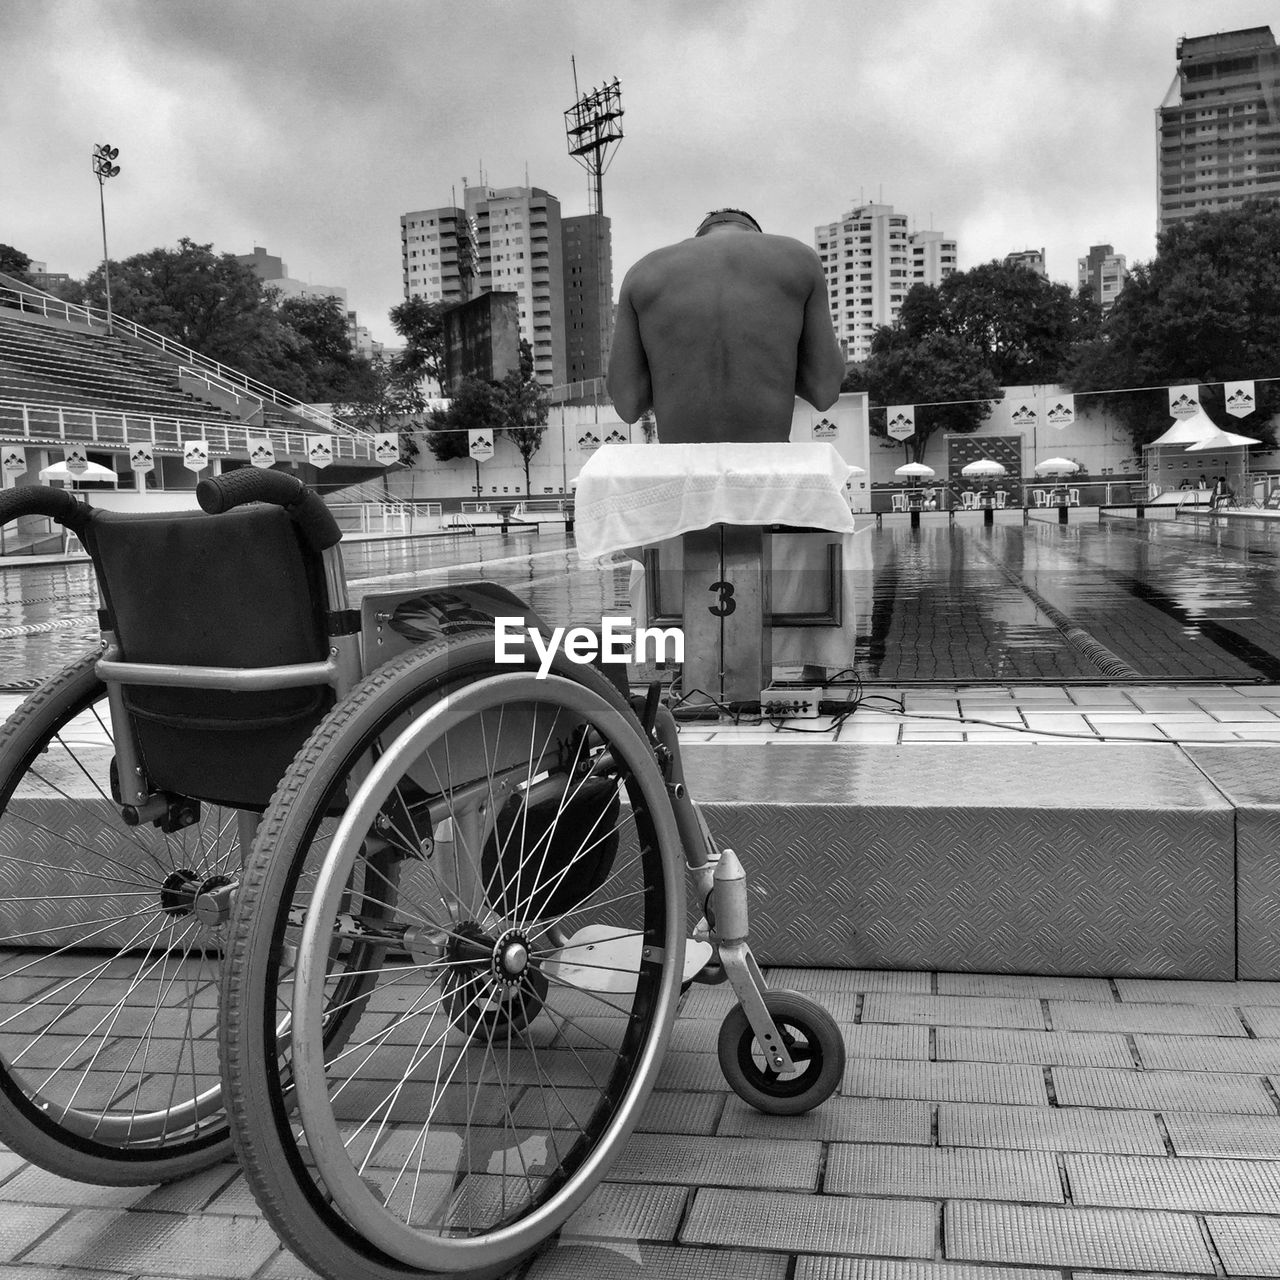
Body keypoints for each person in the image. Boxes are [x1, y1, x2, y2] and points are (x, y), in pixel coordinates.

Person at [606, 208, 845, 442]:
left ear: (700, 235)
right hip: (766, 469)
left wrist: (673, 376)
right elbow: (825, 392)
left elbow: (627, 404)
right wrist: (776, 369)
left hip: (682, 471)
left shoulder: (643, 273)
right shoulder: (800, 261)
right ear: (756, 234)